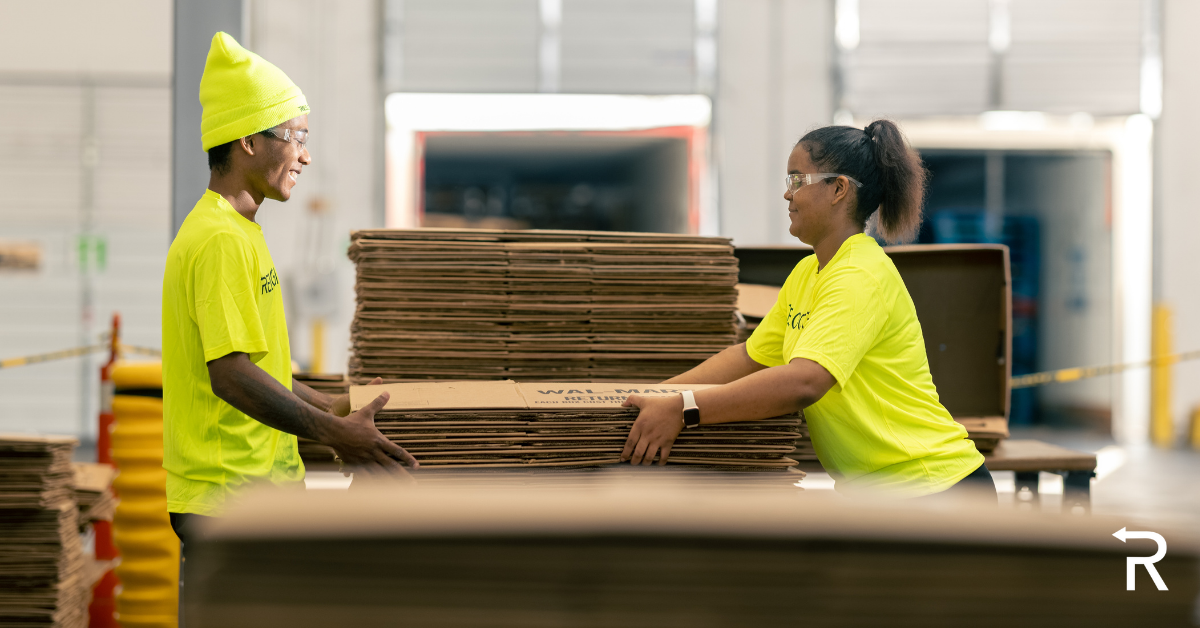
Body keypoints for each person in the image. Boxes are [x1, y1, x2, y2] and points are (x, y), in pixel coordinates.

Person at [620, 120, 994, 499]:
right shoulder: (808, 272)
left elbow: (804, 381)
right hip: (882, 494)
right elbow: (750, 357)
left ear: (838, 189)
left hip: (932, 487)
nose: (787, 195)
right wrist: (657, 394)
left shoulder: (859, 274)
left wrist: (684, 408)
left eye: (797, 181)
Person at [162, 32, 417, 544]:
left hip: (253, 491)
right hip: (228, 498)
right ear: (249, 140)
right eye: (294, 137)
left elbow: (259, 367)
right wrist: (334, 434)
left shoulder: (239, 231)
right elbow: (231, 377)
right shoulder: (218, 239)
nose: (303, 156)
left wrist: (333, 405)